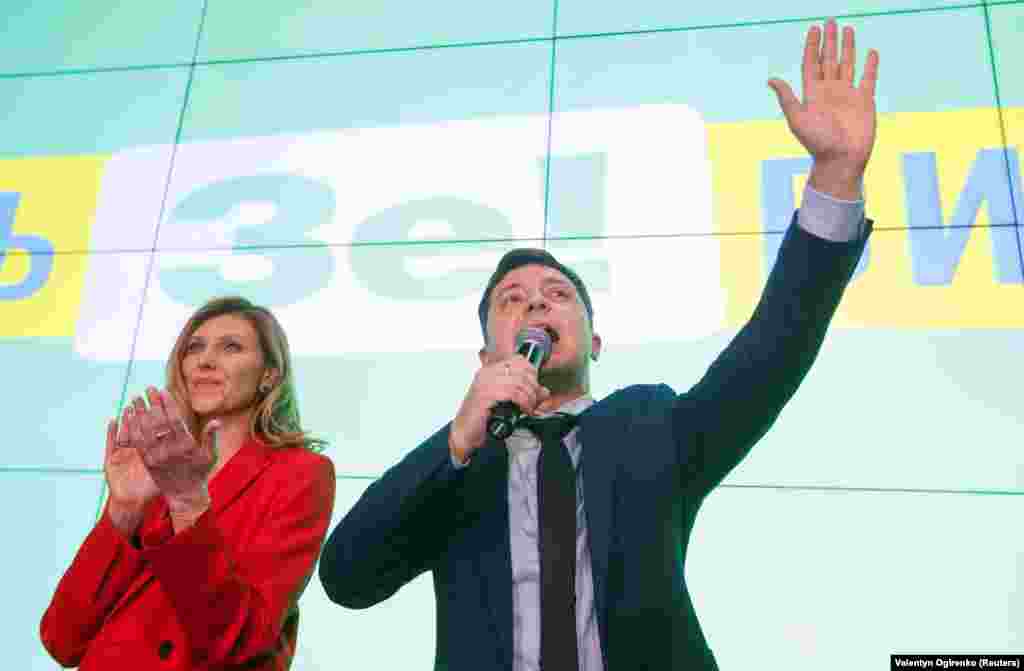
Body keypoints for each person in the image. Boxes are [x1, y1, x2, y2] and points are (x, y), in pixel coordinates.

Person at [320, 19, 877, 670]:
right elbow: (348, 575)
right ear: (486, 357)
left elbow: (772, 350)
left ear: (596, 340)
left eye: (557, 294)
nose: (535, 302)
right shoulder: (459, 466)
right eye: (512, 299)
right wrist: (456, 443)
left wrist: (835, 176)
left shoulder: (651, 427)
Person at [41, 296, 335, 670]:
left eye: (231, 347)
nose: (205, 360)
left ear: (269, 375)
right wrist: (123, 508)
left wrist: (187, 502)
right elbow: (61, 639)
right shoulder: (156, 467)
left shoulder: (302, 473)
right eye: (195, 347)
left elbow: (238, 641)